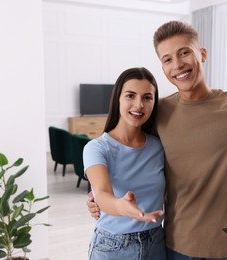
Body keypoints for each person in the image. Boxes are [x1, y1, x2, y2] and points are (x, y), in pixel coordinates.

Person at [88, 20, 227, 260]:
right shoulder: (158, 112)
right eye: (167, 59)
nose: (177, 64)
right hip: (175, 245)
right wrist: (101, 198)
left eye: (184, 53)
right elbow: (127, 151)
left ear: (202, 54)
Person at [84, 67, 166, 260]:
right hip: (113, 246)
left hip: (156, 242)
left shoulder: (159, 147)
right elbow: (102, 193)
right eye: (130, 95)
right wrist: (121, 207)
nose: (139, 105)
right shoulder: (97, 148)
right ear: (118, 98)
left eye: (147, 97)